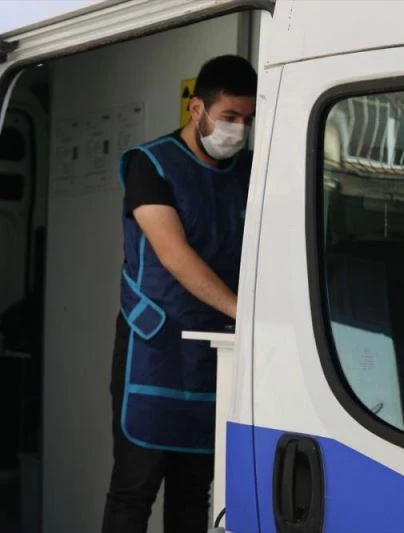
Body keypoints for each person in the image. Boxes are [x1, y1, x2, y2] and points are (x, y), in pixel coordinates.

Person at [102, 55, 257, 533]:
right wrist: (244, 312)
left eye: (248, 119)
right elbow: (175, 256)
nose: (238, 129)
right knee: (135, 488)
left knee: (193, 491)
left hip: (213, 350)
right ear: (197, 109)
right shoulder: (150, 165)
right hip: (154, 347)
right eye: (229, 116)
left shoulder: (250, 170)